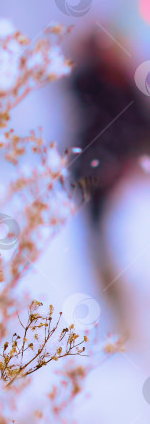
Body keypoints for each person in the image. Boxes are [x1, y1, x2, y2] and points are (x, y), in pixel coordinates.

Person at [67, 26, 150, 338]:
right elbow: (98, 129)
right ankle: (122, 324)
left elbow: (140, 125)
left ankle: (127, 320)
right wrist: (113, 165)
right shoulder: (88, 83)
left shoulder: (127, 82)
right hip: (98, 177)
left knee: (116, 247)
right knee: (103, 250)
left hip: (123, 176)